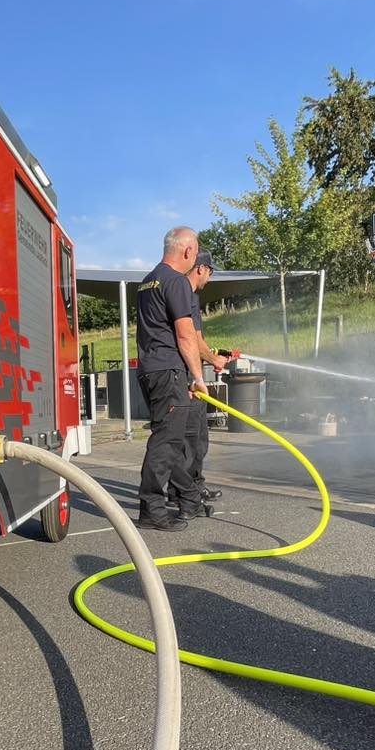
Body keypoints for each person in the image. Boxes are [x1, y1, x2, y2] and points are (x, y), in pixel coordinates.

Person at [133, 227, 208, 531]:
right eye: (196, 249)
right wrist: (199, 378)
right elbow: (185, 334)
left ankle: (189, 497)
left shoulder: (147, 282)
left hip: (149, 370)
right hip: (169, 371)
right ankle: (151, 509)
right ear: (188, 251)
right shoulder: (176, 282)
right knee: (165, 443)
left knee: (171, 439)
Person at [168, 250, 231, 514]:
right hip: (185, 379)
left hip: (188, 377)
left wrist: (211, 357)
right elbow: (191, 338)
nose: (211, 277)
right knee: (191, 440)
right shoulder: (186, 294)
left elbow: (197, 339)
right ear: (201, 268)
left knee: (197, 439)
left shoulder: (189, 296)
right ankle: (185, 494)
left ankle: (192, 487)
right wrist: (214, 360)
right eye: (211, 271)